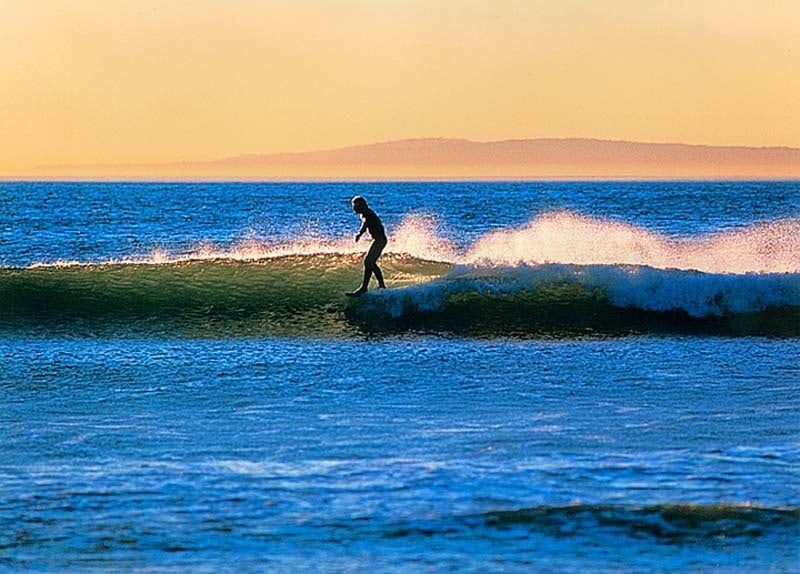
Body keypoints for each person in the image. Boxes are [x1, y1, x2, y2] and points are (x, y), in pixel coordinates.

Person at [347, 195, 386, 296]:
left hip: (380, 241)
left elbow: (366, 224)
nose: (354, 208)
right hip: (379, 240)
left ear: (360, 205)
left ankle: (366, 288)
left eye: (355, 205)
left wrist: (360, 234)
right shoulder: (365, 213)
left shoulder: (368, 213)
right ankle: (379, 286)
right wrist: (360, 234)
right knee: (370, 263)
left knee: (369, 262)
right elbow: (365, 224)